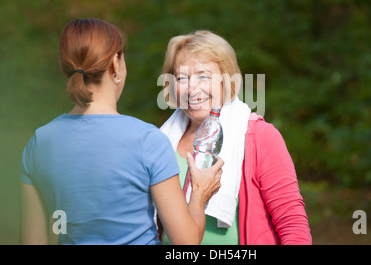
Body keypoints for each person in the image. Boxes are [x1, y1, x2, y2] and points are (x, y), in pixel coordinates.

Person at [19, 18, 223, 245]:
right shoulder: (148, 140)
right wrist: (200, 192)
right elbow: (186, 243)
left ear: (64, 67)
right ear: (116, 65)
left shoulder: (38, 143)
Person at [159, 30, 312, 245]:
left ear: (226, 79)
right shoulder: (160, 140)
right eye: (182, 78)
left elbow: (292, 223)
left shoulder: (259, 136)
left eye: (204, 76)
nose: (192, 89)